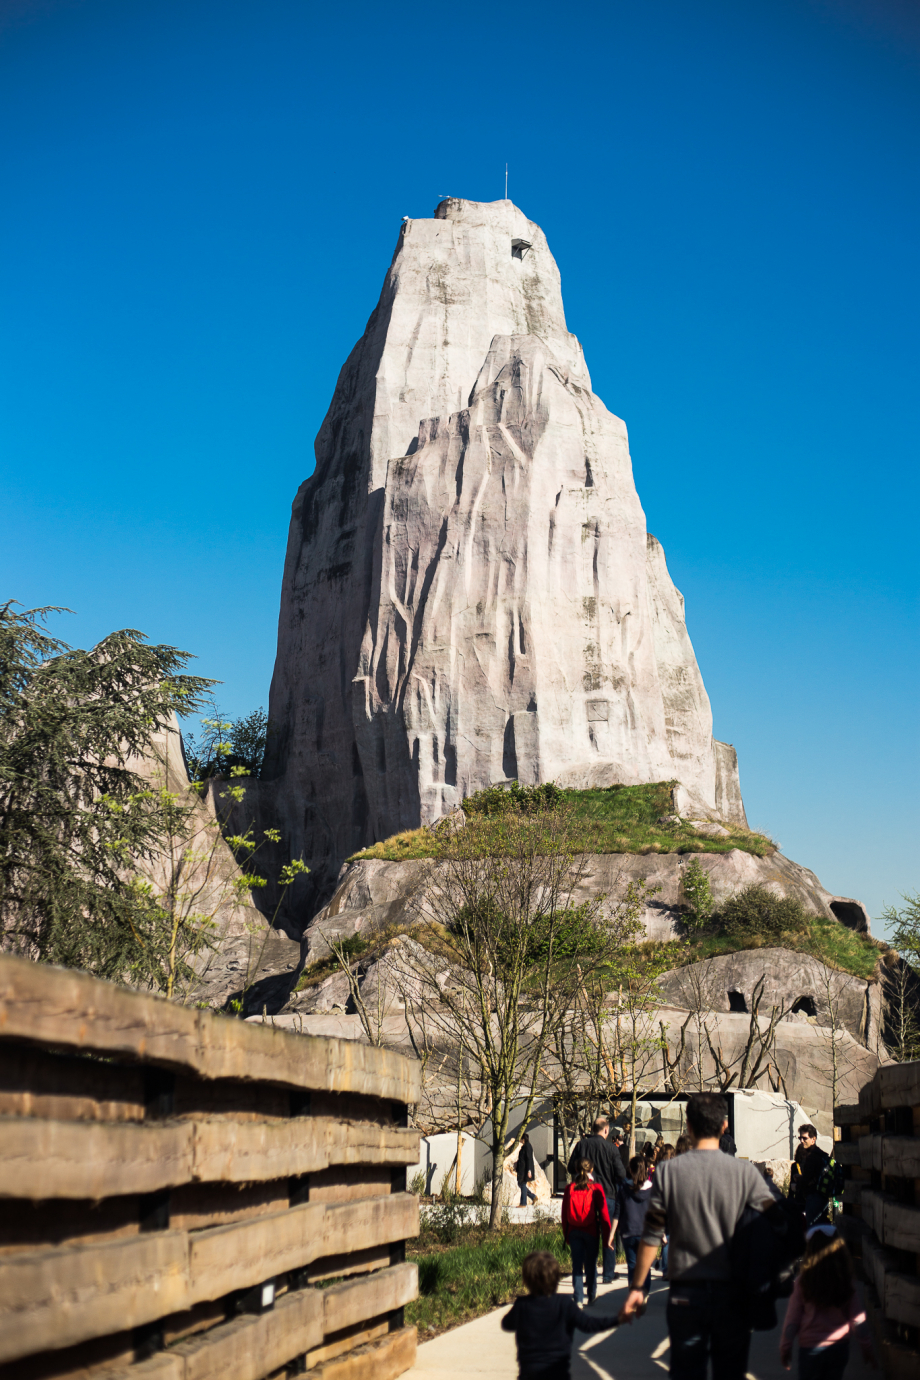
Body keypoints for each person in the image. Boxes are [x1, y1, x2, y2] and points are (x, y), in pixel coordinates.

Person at [621, 1091, 780, 1379]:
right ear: (723, 1127)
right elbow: (776, 1220)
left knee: (685, 1372)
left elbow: (652, 1234)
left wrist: (637, 1287)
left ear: (689, 1126)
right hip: (732, 1294)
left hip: (686, 1294)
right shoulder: (745, 1173)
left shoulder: (669, 1172)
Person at [501, 1250, 624, 1380]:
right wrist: (618, 1319)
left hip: (529, 1373)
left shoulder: (522, 1305)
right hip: (557, 1372)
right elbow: (589, 1325)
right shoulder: (564, 1304)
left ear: (526, 1280)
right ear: (556, 1279)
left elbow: (506, 1324)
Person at [780, 1227, 873, 1380]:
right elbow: (858, 1319)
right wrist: (866, 1346)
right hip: (838, 1348)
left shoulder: (803, 1282)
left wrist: (786, 1346)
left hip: (810, 1348)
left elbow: (792, 1319)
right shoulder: (845, 1281)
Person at [567, 1117, 626, 1283]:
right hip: (608, 1195)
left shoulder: (581, 1145)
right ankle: (608, 1273)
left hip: (586, 1195)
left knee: (589, 1234)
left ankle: (590, 1273)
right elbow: (620, 1174)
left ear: (593, 1129)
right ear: (606, 1130)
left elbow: (571, 1167)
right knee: (608, 1234)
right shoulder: (611, 1149)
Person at [562, 1160, 612, 1305]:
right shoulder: (596, 1188)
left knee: (576, 1265)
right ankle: (591, 1294)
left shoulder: (570, 1188)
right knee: (591, 1264)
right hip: (591, 1231)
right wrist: (608, 1236)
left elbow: (564, 1214)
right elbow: (603, 1214)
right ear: (592, 1170)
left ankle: (578, 1297)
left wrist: (566, 1234)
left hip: (574, 1230)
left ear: (576, 1169)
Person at [610, 1156, 653, 1288]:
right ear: (645, 1170)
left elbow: (617, 1213)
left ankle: (633, 1292)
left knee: (632, 1265)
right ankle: (644, 1293)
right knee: (645, 1265)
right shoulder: (652, 1190)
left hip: (628, 1231)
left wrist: (611, 1235)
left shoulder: (623, 1189)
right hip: (646, 1233)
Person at [789, 1125, 831, 1227]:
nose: (802, 1141)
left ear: (813, 1139)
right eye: (800, 1138)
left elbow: (807, 1182)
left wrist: (796, 1186)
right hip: (823, 1198)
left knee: (813, 1231)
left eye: (805, 1138)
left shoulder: (812, 1157)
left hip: (814, 1199)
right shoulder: (822, 1155)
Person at [516, 1132, 537, 1207]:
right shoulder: (525, 1146)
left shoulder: (527, 1147)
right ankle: (533, 1197)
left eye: (521, 1139)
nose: (520, 1141)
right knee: (521, 1184)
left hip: (524, 1170)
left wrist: (529, 1170)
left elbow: (529, 1159)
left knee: (522, 1184)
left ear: (523, 1139)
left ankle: (523, 1203)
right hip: (522, 1169)